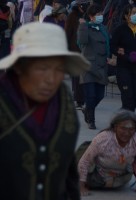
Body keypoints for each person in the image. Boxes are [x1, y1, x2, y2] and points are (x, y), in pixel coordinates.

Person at [0, 22, 90, 200]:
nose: (51, 79)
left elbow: (68, 169)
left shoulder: (63, 100)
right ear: (18, 67)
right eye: (42, 68)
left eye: (59, 69)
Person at [78, 110, 136, 195]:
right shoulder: (102, 139)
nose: (127, 133)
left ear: (135, 129)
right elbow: (85, 161)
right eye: (123, 128)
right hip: (96, 177)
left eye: (131, 129)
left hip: (121, 178)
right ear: (115, 127)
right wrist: (81, 187)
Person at [109, 4, 136, 111]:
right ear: (126, 16)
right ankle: (126, 117)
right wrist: (119, 51)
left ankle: (125, 113)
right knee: (127, 96)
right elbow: (112, 46)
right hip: (124, 68)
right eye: (133, 13)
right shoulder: (120, 29)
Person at [77, 3, 110, 129]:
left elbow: (107, 45)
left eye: (101, 14)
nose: (100, 17)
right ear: (91, 16)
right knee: (90, 96)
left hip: (101, 66)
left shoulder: (103, 29)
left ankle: (87, 110)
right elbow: (81, 42)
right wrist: (83, 26)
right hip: (88, 66)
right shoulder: (85, 27)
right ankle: (91, 120)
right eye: (98, 15)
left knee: (100, 95)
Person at [65, 0, 90, 109]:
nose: (85, 7)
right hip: (75, 50)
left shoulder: (88, 16)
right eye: (83, 5)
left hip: (87, 50)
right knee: (76, 76)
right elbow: (67, 33)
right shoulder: (72, 16)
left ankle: (83, 98)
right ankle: (77, 99)